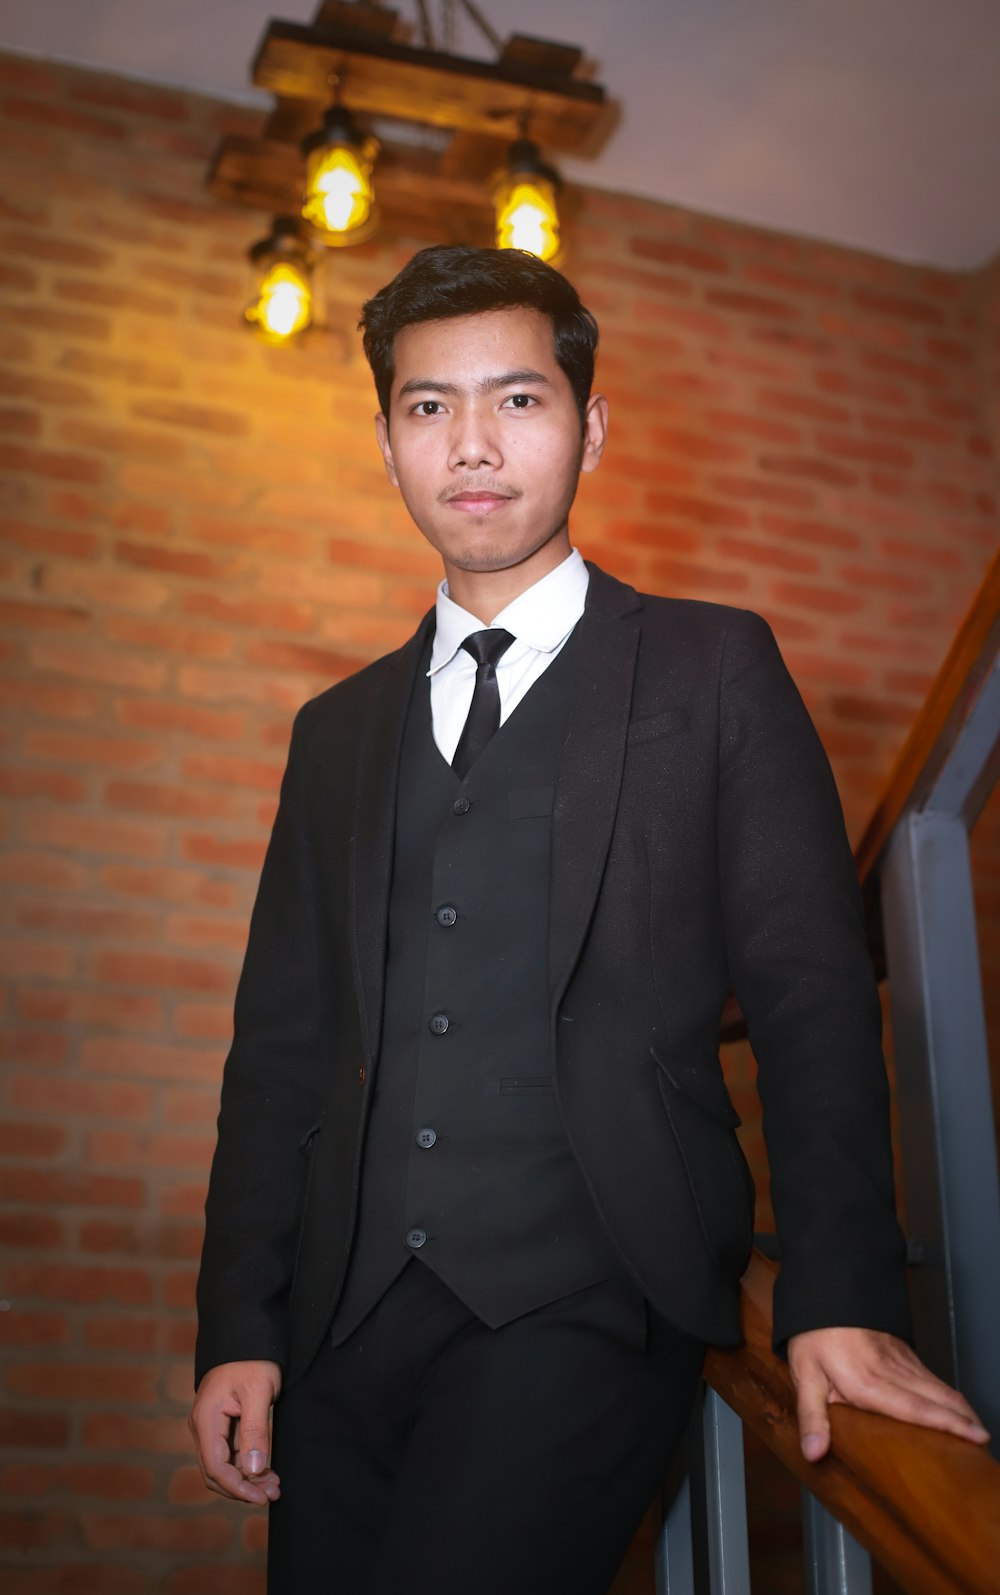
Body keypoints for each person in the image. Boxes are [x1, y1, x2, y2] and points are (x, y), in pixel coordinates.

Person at [190, 244, 987, 1594]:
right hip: (336, 1330)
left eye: (519, 399)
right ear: (387, 446)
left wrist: (840, 1294)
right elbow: (279, 1049)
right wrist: (238, 1325)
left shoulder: (711, 666)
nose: (473, 444)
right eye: (428, 407)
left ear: (590, 426)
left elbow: (805, 990)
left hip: (586, 1304)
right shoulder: (334, 735)